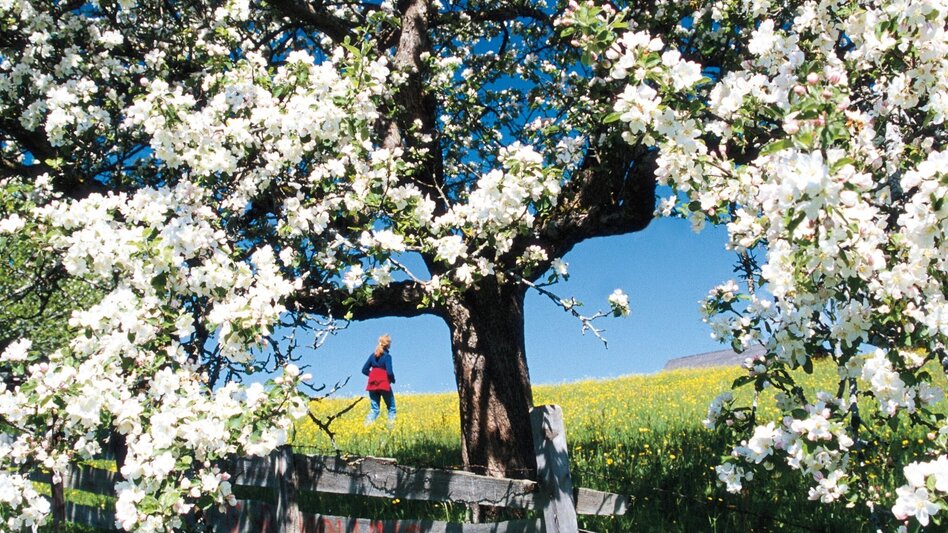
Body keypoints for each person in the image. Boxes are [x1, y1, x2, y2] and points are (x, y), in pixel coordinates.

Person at [362, 334, 396, 426]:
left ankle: (365, 427)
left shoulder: (373, 355)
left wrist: (373, 375)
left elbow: (364, 370)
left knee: (374, 409)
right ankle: (390, 430)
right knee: (391, 408)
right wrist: (393, 380)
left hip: (372, 385)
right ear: (388, 344)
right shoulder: (387, 356)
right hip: (383, 384)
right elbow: (389, 372)